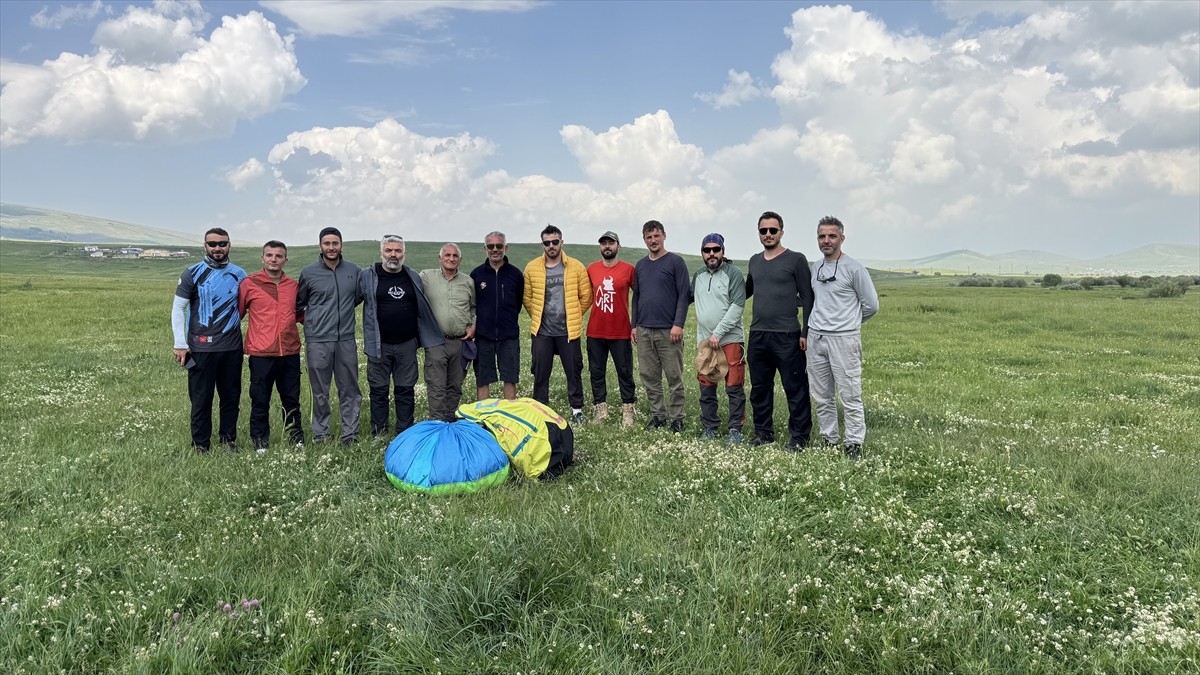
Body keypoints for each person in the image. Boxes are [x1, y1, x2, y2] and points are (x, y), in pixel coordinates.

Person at [806, 216, 879, 460]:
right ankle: (829, 438)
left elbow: (871, 305)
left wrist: (850, 324)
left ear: (842, 238)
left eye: (831, 236)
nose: (826, 241)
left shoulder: (854, 269)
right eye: (822, 236)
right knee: (821, 394)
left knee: (850, 393)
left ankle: (854, 443)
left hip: (844, 339)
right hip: (817, 337)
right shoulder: (816, 267)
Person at [171, 227, 247, 453]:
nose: (217, 248)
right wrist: (180, 343)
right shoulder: (192, 273)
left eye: (222, 243)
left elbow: (245, 306)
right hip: (200, 348)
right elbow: (178, 309)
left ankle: (228, 440)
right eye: (212, 244)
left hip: (232, 347)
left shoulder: (240, 274)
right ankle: (200, 444)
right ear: (205, 246)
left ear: (229, 245)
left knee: (231, 397)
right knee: (201, 399)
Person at [360, 235, 444, 436]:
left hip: (407, 344)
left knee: (405, 390)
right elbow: (351, 300)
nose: (393, 255)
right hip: (379, 345)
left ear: (403, 253)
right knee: (379, 390)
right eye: (389, 251)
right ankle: (379, 433)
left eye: (398, 251)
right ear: (381, 253)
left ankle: (404, 432)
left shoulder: (412, 276)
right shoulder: (368, 276)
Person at [745, 211, 815, 451]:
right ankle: (763, 433)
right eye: (763, 231)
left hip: (787, 335)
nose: (768, 234)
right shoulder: (754, 261)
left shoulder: (796, 259)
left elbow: (807, 297)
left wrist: (805, 332)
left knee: (795, 388)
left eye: (772, 230)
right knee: (759, 389)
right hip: (758, 334)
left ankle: (800, 437)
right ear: (759, 234)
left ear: (781, 232)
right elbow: (746, 291)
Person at [296, 227, 363, 445]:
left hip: (345, 339)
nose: (331, 247)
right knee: (320, 391)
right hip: (318, 340)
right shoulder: (308, 272)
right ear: (320, 246)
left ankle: (350, 434)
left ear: (341, 245)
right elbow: (299, 303)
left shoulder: (354, 271)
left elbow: (356, 298)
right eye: (327, 243)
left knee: (350, 389)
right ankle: (320, 434)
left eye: (335, 243)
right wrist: (316, 320)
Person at [522, 225, 592, 424]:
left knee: (573, 371)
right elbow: (528, 298)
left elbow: (586, 296)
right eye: (547, 243)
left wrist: (574, 315)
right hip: (542, 331)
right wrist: (538, 316)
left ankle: (577, 409)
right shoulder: (532, 267)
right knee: (540, 371)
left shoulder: (576, 266)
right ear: (542, 244)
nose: (551, 246)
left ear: (562, 242)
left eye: (555, 242)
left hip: (568, 331)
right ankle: (541, 409)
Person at [238, 240, 303, 452]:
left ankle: (296, 439)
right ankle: (260, 443)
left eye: (278, 256)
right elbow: (238, 313)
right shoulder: (249, 284)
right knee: (260, 400)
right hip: (261, 353)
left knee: (291, 399)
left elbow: (301, 315)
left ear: (285, 259)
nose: (273, 259)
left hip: (289, 352)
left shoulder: (293, 286)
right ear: (262, 258)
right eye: (269, 255)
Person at [631, 220, 690, 432]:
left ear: (664, 235)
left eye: (656, 236)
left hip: (669, 330)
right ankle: (658, 416)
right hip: (644, 328)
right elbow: (636, 296)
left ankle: (677, 418)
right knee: (649, 375)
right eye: (649, 237)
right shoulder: (641, 265)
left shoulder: (676, 262)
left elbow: (684, 295)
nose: (653, 240)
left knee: (674, 375)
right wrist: (634, 325)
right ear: (644, 239)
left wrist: (678, 324)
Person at [690, 233, 747, 445]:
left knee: (734, 385)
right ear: (702, 253)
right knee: (706, 386)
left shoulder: (733, 274)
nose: (711, 254)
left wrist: (718, 333)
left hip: (729, 339)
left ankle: (735, 429)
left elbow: (737, 307)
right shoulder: (698, 276)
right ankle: (710, 427)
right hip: (706, 342)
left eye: (716, 249)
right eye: (707, 250)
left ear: (723, 251)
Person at [586, 230, 637, 427]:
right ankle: (601, 409)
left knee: (624, 371)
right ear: (600, 246)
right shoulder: (591, 269)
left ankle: (628, 409)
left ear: (618, 246)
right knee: (596, 371)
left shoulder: (628, 269)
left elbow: (639, 297)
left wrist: (637, 324)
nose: (607, 246)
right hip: (596, 330)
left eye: (611, 243)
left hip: (620, 330)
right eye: (604, 243)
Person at [420, 243, 476, 421]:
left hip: (460, 341)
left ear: (460, 259)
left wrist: (474, 324)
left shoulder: (468, 282)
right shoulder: (426, 277)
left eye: (455, 256)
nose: (451, 259)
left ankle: (450, 421)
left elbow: (474, 307)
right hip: (436, 341)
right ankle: (436, 423)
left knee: (455, 385)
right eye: (447, 255)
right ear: (440, 258)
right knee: (436, 385)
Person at [470, 232, 524, 401]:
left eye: (499, 246)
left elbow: (518, 302)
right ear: (485, 249)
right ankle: (483, 419)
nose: (495, 250)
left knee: (510, 377)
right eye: (491, 246)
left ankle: (507, 417)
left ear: (505, 248)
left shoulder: (515, 274)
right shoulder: (476, 275)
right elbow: (472, 304)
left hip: (508, 335)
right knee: (483, 378)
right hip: (483, 335)